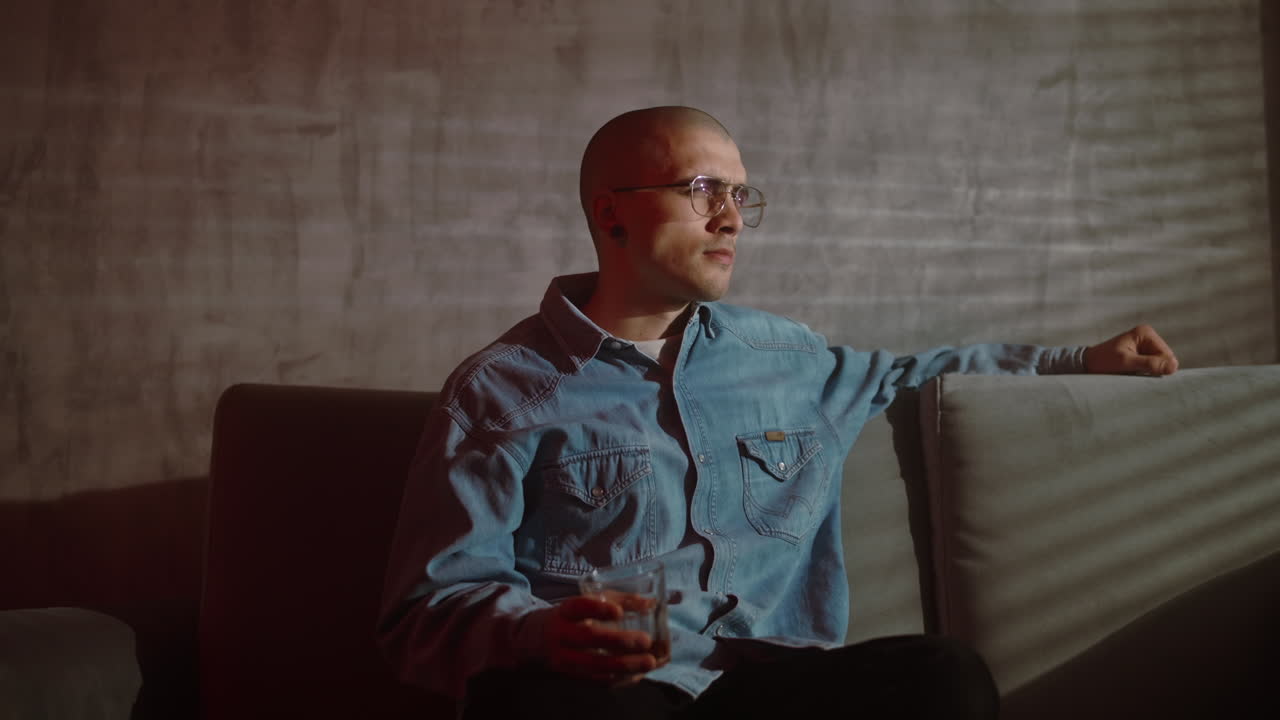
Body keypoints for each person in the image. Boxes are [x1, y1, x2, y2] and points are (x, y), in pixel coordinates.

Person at [377, 106, 1179, 719]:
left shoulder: (788, 359)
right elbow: (425, 611)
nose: (729, 217)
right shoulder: (502, 389)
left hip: (769, 690)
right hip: (609, 695)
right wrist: (540, 635)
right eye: (699, 191)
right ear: (611, 212)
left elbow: (922, 372)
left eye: (737, 195)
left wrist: (1080, 360)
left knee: (944, 674)